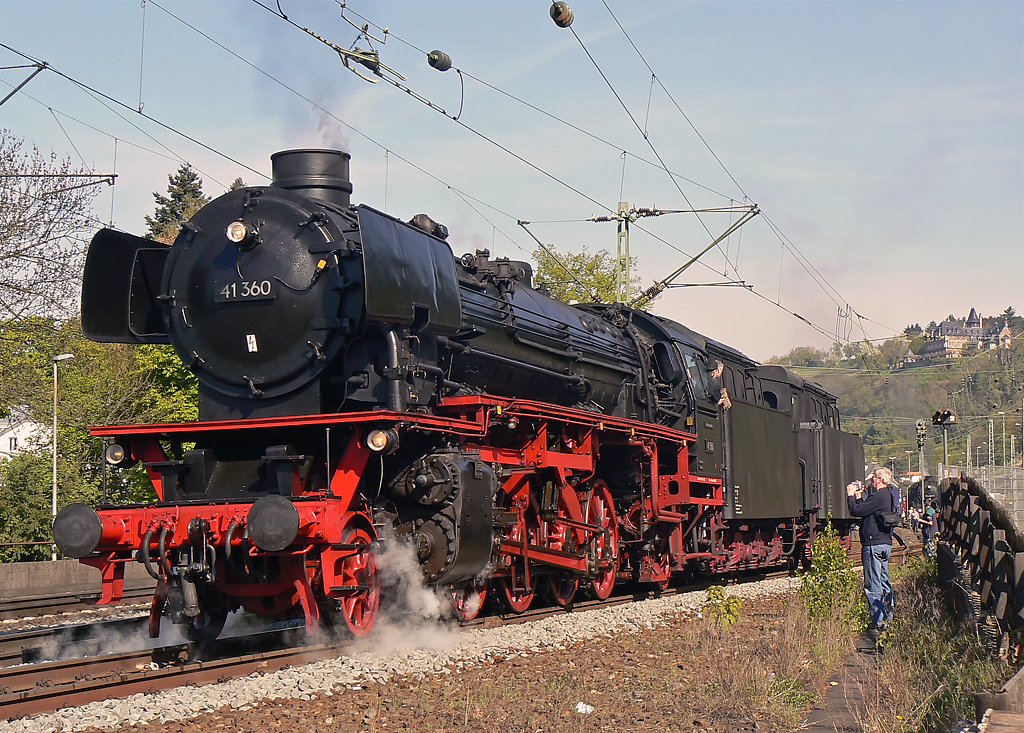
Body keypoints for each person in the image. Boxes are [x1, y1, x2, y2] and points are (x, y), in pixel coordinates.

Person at [847, 466, 897, 632]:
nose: (872, 480)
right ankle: (889, 616)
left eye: (874, 477)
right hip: (884, 543)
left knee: (873, 584)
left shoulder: (878, 496)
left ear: (881, 480)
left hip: (873, 544)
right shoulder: (887, 496)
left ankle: (878, 622)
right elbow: (866, 512)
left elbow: (856, 511)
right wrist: (860, 498)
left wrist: (850, 496)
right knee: (884, 581)